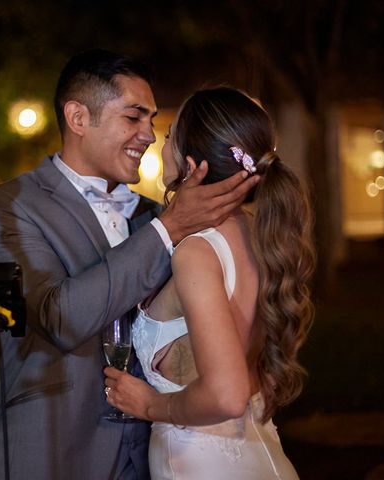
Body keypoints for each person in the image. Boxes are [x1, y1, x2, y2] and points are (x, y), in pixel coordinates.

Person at [0, 49, 258, 479]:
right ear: (78, 118)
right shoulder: (10, 207)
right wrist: (168, 229)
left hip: (155, 450)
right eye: (133, 118)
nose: (149, 135)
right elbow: (58, 316)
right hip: (57, 449)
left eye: (151, 119)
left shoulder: (154, 215)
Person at [103, 86, 316, 479]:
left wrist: (151, 406)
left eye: (168, 137)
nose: (159, 145)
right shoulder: (259, 236)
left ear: (191, 163)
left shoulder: (198, 252)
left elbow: (227, 394)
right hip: (262, 454)